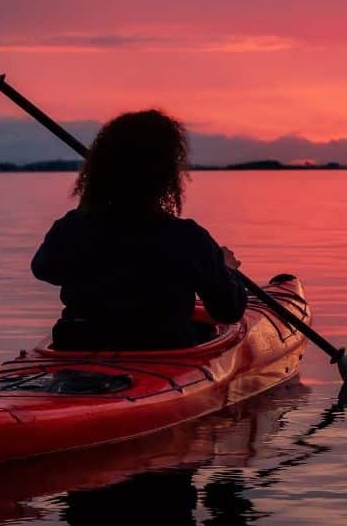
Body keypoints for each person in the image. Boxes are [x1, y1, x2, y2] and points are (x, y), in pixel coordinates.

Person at [31, 110, 247, 350]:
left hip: (77, 342)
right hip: (160, 347)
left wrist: (87, 212)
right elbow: (228, 310)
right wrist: (227, 270)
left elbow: (44, 269)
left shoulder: (73, 228)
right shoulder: (188, 239)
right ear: (165, 175)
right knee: (202, 330)